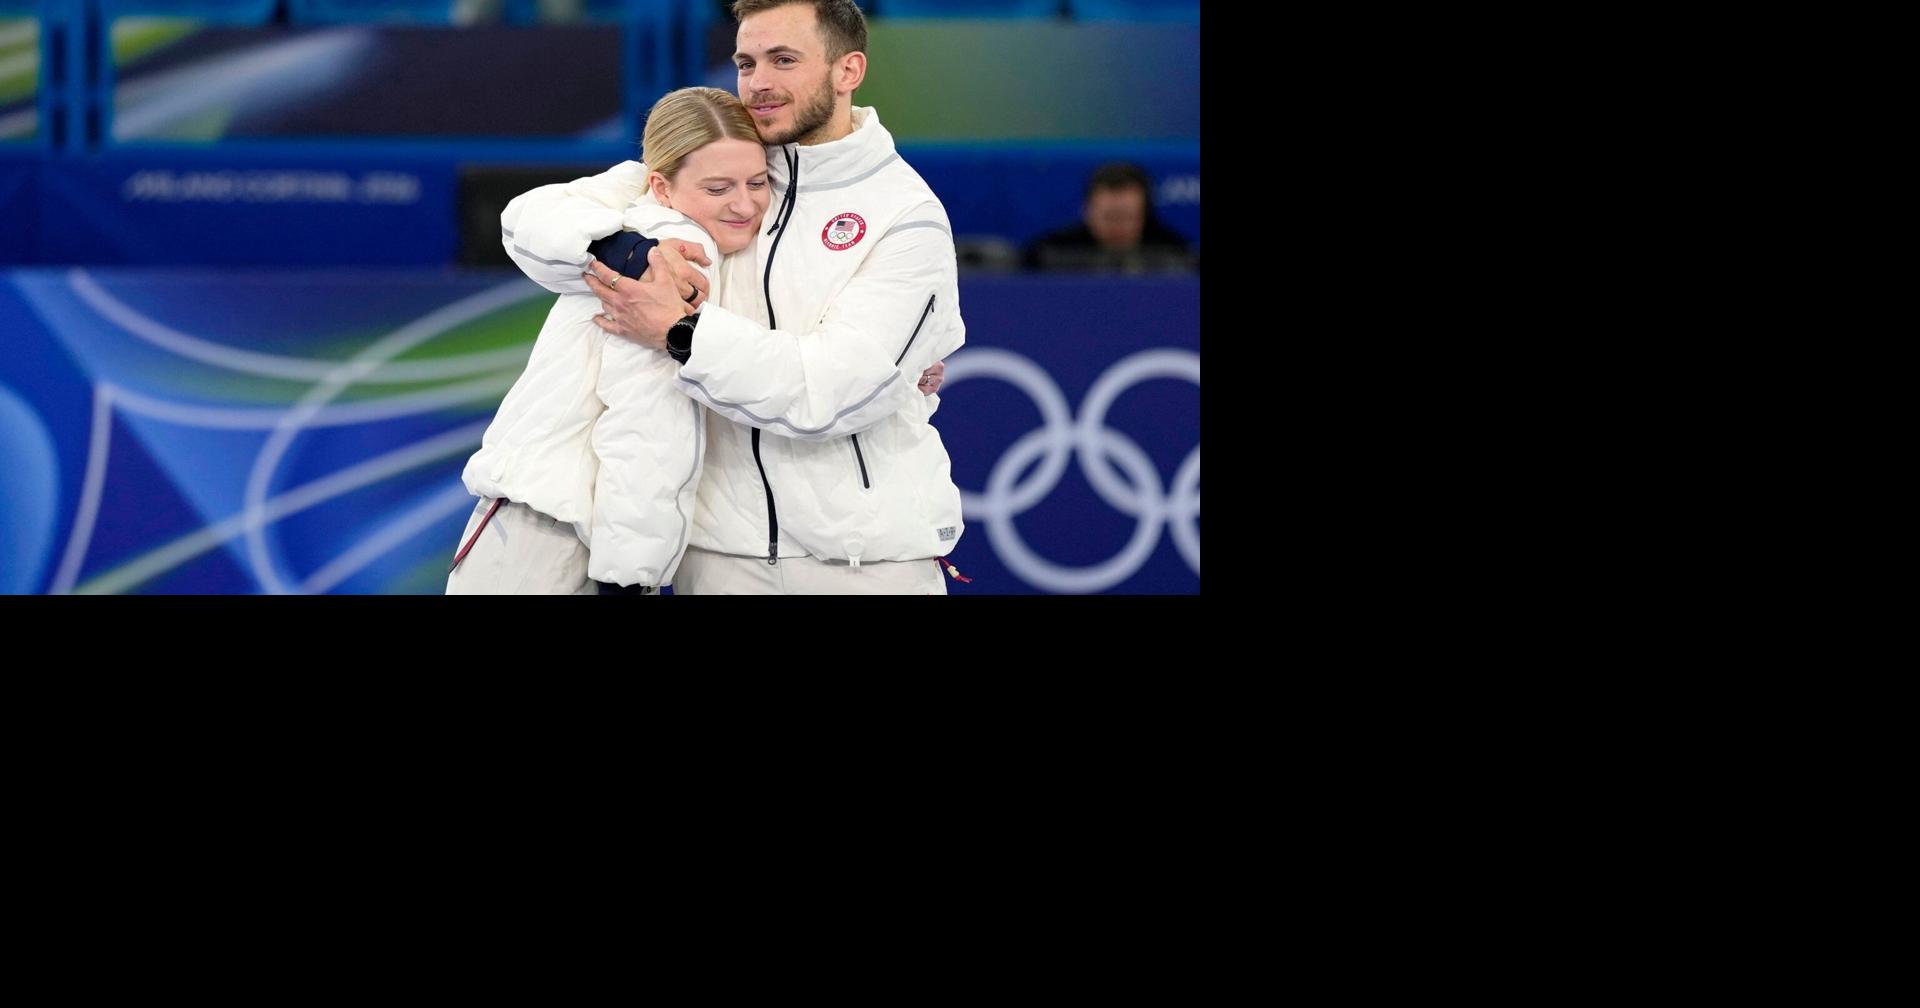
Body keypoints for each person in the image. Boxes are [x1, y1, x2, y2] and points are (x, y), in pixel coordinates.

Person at [505, 0, 969, 595]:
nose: (759, 84)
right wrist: (634, 252)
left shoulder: (905, 216)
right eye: (746, 63)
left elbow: (825, 394)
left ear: (847, 71)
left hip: (865, 564)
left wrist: (680, 333)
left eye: (784, 60)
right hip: (717, 559)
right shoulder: (724, 166)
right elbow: (530, 219)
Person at [446, 86, 770, 594]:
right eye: (718, 188)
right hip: (555, 542)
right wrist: (629, 576)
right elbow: (648, 430)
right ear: (662, 187)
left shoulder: (637, 218)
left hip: (540, 525)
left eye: (757, 182)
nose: (744, 204)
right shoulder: (679, 258)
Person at [1022, 162, 1195, 272]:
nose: (1117, 226)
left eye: (1127, 217)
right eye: (1109, 216)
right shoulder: (1050, 252)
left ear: (1145, 215)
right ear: (1087, 211)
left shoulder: (1177, 254)